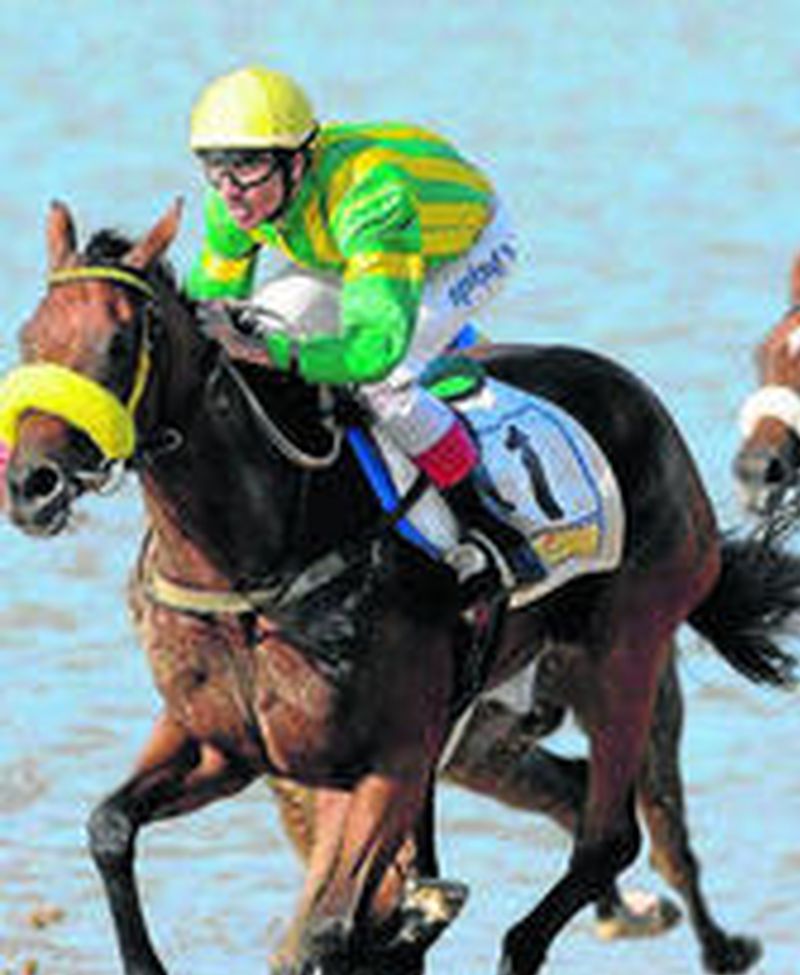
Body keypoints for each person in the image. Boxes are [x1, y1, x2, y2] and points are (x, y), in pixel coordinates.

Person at [185, 64, 540, 590]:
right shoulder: (235, 202)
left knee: (384, 383)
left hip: (463, 249)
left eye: (246, 168)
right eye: (215, 169)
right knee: (262, 319)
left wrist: (274, 353)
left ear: (298, 161)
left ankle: (490, 528)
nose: (230, 191)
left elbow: (372, 351)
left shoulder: (371, 199)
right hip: (350, 250)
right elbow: (209, 314)